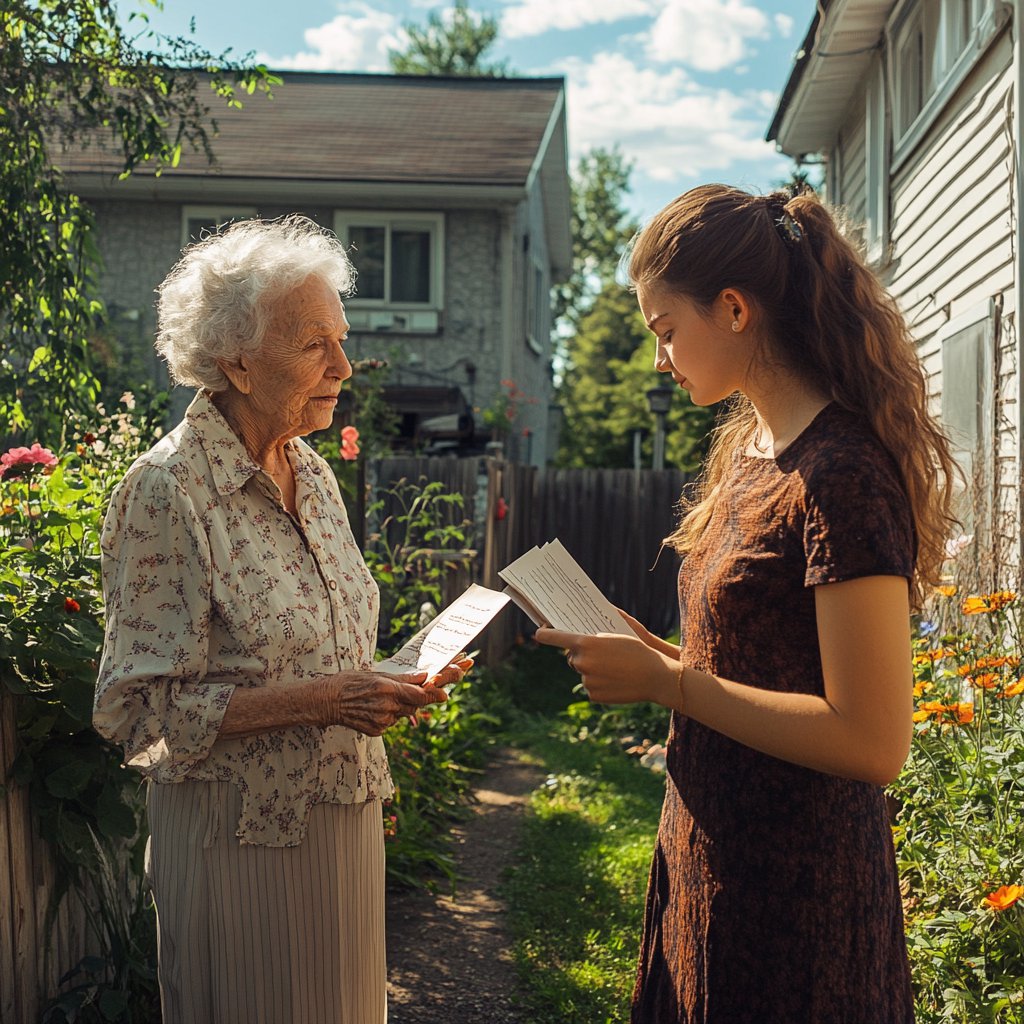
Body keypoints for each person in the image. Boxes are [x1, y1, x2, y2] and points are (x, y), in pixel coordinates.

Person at [536, 185, 957, 1023]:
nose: (659, 358)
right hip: (713, 857)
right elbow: (756, 664)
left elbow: (873, 741)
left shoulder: (842, 475)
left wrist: (671, 686)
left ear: (733, 308)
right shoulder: (752, 454)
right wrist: (660, 657)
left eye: (665, 330)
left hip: (799, 901)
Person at [93, 215, 469, 1024]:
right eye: (313, 345)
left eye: (341, 338)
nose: (343, 363)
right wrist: (330, 701)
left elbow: (330, 654)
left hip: (341, 822)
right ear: (234, 359)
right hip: (238, 843)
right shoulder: (170, 489)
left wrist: (393, 683)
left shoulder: (312, 472)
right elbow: (139, 714)